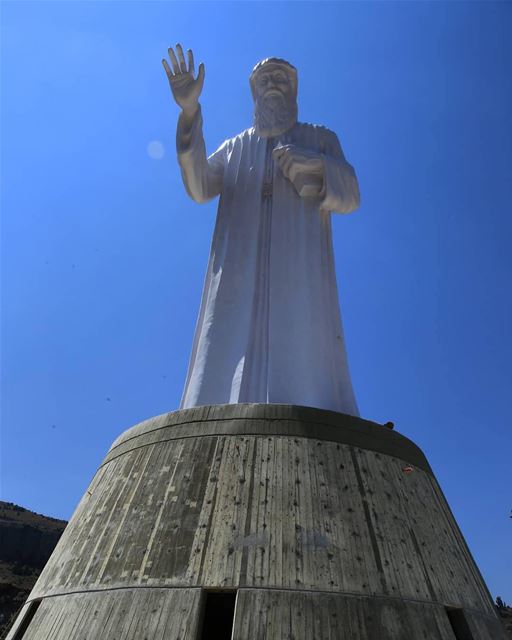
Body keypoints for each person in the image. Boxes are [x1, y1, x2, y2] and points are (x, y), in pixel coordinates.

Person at [163, 44, 360, 415]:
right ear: (254, 91)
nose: (272, 84)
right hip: (238, 272)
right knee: (222, 359)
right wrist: (189, 112)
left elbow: (350, 194)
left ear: (293, 90)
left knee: (304, 358)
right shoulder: (236, 148)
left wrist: (315, 167)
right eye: (264, 79)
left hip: (298, 273)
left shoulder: (319, 139)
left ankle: (313, 411)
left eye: (281, 78)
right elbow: (200, 185)